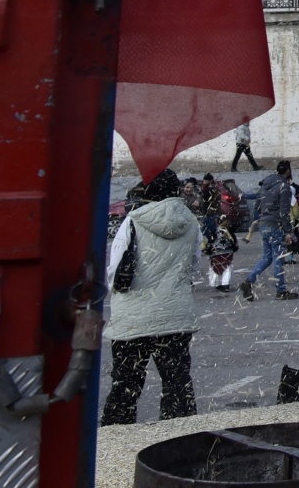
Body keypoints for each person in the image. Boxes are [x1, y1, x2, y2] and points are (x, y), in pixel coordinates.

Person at [101, 169, 202, 424]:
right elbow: (193, 266)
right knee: (177, 385)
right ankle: (179, 443)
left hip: (133, 319)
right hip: (175, 317)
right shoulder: (191, 222)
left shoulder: (132, 221)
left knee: (126, 385)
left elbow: (114, 271)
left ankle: (117, 443)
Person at [241, 160, 298, 301]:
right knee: (278, 258)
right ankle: (281, 290)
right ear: (288, 171)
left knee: (267, 257)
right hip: (275, 226)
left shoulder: (265, 185)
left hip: (264, 224)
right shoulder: (284, 187)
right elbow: (284, 213)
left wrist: (257, 222)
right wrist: (289, 231)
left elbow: (258, 206)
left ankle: (249, 281)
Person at [207, 224, 237, 293]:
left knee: (214, 268)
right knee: (227, 268)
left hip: (215, 253)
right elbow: (234, 242)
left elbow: (209, 243)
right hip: (227, 252)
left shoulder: (213, 231)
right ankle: (225, 284)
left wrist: (208, 250)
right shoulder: (228, 231)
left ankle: (216, 283)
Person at [198, 173, 222, 251]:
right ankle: (212, 245)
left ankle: (210, 245)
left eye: (205, 180)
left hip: (210, 212)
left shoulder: (210, 189)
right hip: (210, 212)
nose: (203, 181)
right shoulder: (211, 188)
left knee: (209, 230)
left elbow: (205, 199)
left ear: (209, 181)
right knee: (211, 230)